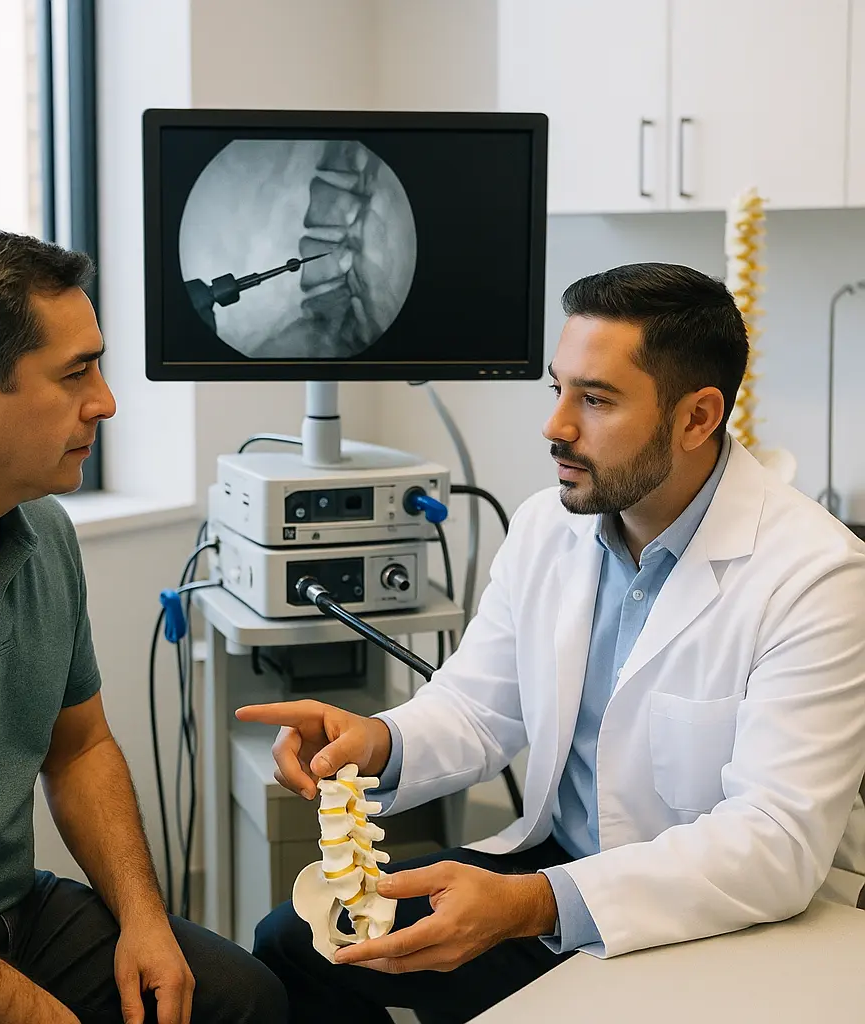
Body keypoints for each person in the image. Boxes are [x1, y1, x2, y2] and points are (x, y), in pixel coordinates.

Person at [243, 263, 865, 1024]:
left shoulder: (815, 575)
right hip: (550, 877)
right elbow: (478, 706)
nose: (556, 426)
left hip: (713, 919)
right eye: (558, 388)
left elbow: (772, 845)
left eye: (595, 399)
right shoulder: (548, 525)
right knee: (294, 945)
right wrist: (377, 742)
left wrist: (531, 905)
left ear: (698, 418)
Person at [0, 232, 287, 1024]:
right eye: (76, 373)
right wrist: (39, 1015)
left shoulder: (42, 529)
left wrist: (145, 920)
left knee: (244, 997)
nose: (107, 401)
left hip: (19, 916)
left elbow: (79, 749)